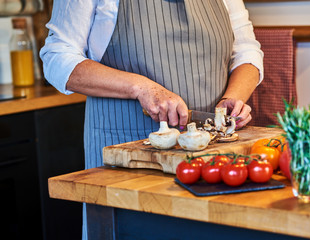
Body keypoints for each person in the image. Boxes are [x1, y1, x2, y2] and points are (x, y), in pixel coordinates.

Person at [40, 0, 263, 238]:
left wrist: (233, 98)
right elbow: (57, 59)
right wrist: (140, 88)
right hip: (126, 163)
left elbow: (247, 51)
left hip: (211, 163)